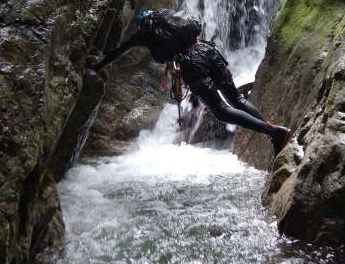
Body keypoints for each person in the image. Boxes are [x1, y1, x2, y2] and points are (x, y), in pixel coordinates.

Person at [91, 9, 292, 155]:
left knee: (221, 110)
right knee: (237, 99)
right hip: (209, 51)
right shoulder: (170, 16)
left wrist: (97, 67)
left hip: (191, 63)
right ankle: (271, 131)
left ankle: (273, 131)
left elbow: (118, 53)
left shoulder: (144, 34)